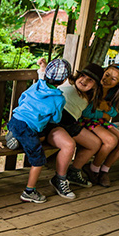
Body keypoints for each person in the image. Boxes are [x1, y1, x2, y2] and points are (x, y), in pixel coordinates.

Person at [5, 58, 72, 203]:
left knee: (38, 137)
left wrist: (42, 65)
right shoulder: (59, 99)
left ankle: (15, 137)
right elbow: (56, 118)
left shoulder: (37, 85)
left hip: (15, 120)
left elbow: (22, 99)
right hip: (28, 128)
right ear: (64, 80)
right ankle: (29, 191)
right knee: (38, 160)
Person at [40, 60, 105, 188]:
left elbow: (88, 113)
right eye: (82, 76)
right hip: (55, 122)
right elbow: (47, 79)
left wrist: (104, 113)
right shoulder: (66, 82)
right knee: (70, 145)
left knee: (95, 143)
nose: (84, 81)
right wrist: (43, 67)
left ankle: (73, 172)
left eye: (90, 80)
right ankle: (59, 178)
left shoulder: (89, 97)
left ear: (96, 86)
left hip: (71, 124)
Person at [80, 64, 119, 187]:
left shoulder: (114, 93)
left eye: (113, 79)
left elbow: (113, 112)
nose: (107, 80)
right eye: (107, 75)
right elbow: (86, 112)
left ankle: (104, 170)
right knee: (111, 140)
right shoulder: (93, 87)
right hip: (85, 121)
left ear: (118, 84)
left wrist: (105, 108)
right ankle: (93, 168)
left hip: (99, 122)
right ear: (103, 71)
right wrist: (104, 114)